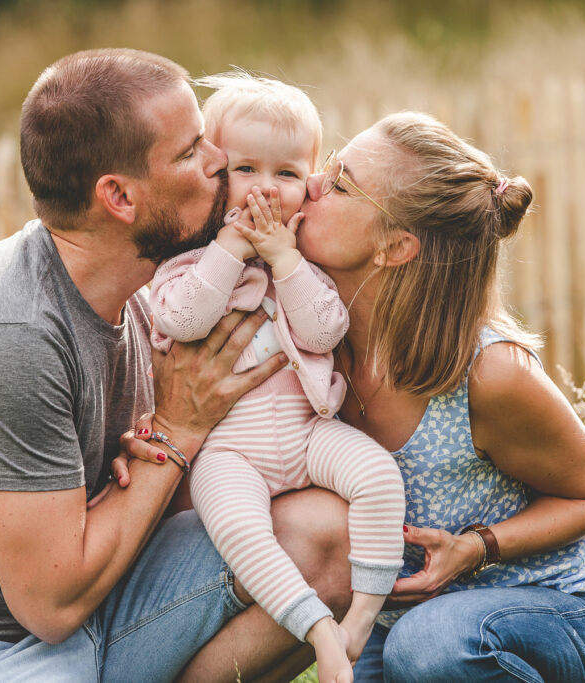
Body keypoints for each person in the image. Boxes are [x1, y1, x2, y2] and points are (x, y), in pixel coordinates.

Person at [0, 49, 352, 683]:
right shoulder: (9, 332)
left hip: (96, 614)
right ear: (120, 197)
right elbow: (50, 606)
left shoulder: (156, 293)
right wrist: (177, 433)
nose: (219, 161)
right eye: (191, 152)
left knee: (327, 539)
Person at [180, 111, 585, 682]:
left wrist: (477, 547)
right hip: (404, 621)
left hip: (560, 610)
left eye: (341, 183)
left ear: (394, 247)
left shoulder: (489, 373)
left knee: (427, 649)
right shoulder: (318, 350)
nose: (311, 184)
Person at [148, 72, 404, 682]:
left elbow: (322, 333)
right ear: (214, 176)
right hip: (230, 451)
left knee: (378, 476)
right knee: (241, 531)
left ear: (309, 181)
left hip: (305, 429)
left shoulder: (306, 265)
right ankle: (315, 627)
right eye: (246, 170)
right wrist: (233, 249)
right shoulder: (187, 262)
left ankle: (361, 619)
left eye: (287, 174)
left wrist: (284, 259)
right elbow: (183, 318)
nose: (266, 188)